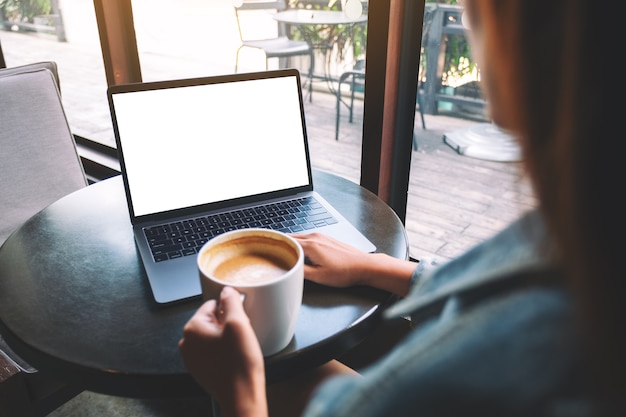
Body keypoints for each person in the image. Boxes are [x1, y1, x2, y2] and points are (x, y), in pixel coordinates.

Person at [178, 0, 626, 415]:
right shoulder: (589, 237)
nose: (469, 21)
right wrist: (373, 267)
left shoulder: (531, 353)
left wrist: (240, 396)